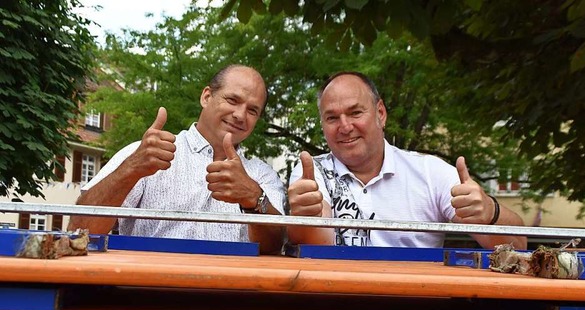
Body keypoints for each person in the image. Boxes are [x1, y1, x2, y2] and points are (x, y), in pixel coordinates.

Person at [287, 71, 526, 250]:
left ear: (380, 113)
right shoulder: (311, 171)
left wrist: (489, 212)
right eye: (332, 118)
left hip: (418, 306)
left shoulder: (431, 172)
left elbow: (518, 246)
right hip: (334, 303)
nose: (345, 126)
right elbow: (316, 244)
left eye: (355, 113)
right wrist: (307, 218)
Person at [68, 64, 285, 254]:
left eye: (252, 110)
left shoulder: (262, 175)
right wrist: (131, 169)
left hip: (230, 297)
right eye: (232, 100)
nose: (240, 114)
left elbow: (275, 246)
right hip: (148, 293)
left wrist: (255, 199)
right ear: (206, 97)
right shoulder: (147, 153)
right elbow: (80, 231)